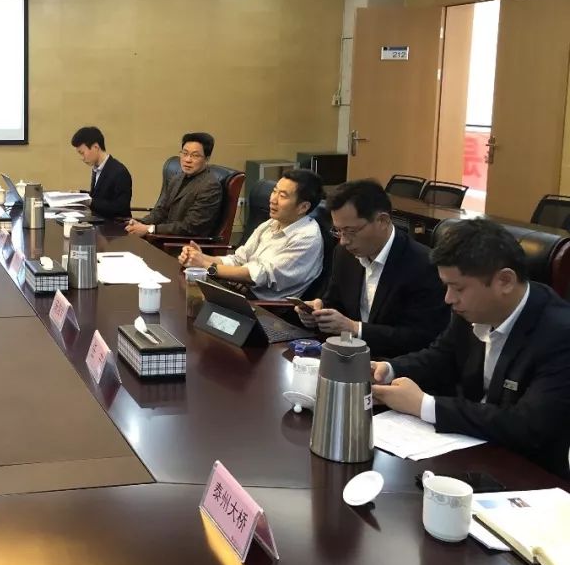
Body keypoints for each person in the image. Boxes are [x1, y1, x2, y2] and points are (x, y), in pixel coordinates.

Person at [371, 219, 570, 478]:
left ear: (505, 281)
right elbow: (440, 357)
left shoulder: (560, 334)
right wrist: (387, 370)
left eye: (458, 288)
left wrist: (425, 405)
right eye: (446, 286)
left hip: (529, 473)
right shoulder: (473, 309)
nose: (448, 299)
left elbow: (527, 426)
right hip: (471, 450)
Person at [296, 180, 448, 357]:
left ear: (382, 221)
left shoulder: (423, 265)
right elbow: (335, 302)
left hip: (395, 365)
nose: (344, 241)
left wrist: (356, 328)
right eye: (338, 231)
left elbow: (420, 337)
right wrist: (318, 312)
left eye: (351, 231)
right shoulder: (344, 254)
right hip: (347, 356)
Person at [178, 169, 324, 300]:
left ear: (303, 207)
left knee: (190, 302)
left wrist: (206, 265)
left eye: (282, 196)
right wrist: (199, 257)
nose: (273, 200)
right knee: (182, 292)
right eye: (274, 191)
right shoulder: (271, 223)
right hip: (239, 290)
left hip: (264, 309)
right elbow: (238, 260)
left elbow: (259, 275)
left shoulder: (306, 237)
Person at [125, 132, 221, 237]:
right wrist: (141, 223)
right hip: (163, 237)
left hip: (184, 243)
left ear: (207, 158)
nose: (187, 160)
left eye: (195, 155)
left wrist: (150, 229)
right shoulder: (177, 178)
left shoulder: (210, 186)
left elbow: (190, 227)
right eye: (184, 153)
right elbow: (161, 211)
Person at [71, 126, 132, 219]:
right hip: (98, 221)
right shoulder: (97, 168)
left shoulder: (120, 172)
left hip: (114, 225)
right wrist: (81, 194)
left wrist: (90, 202)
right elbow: (102, 195)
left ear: (96, 147)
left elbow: (121, 208)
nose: (82, 158)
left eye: (82, 153)